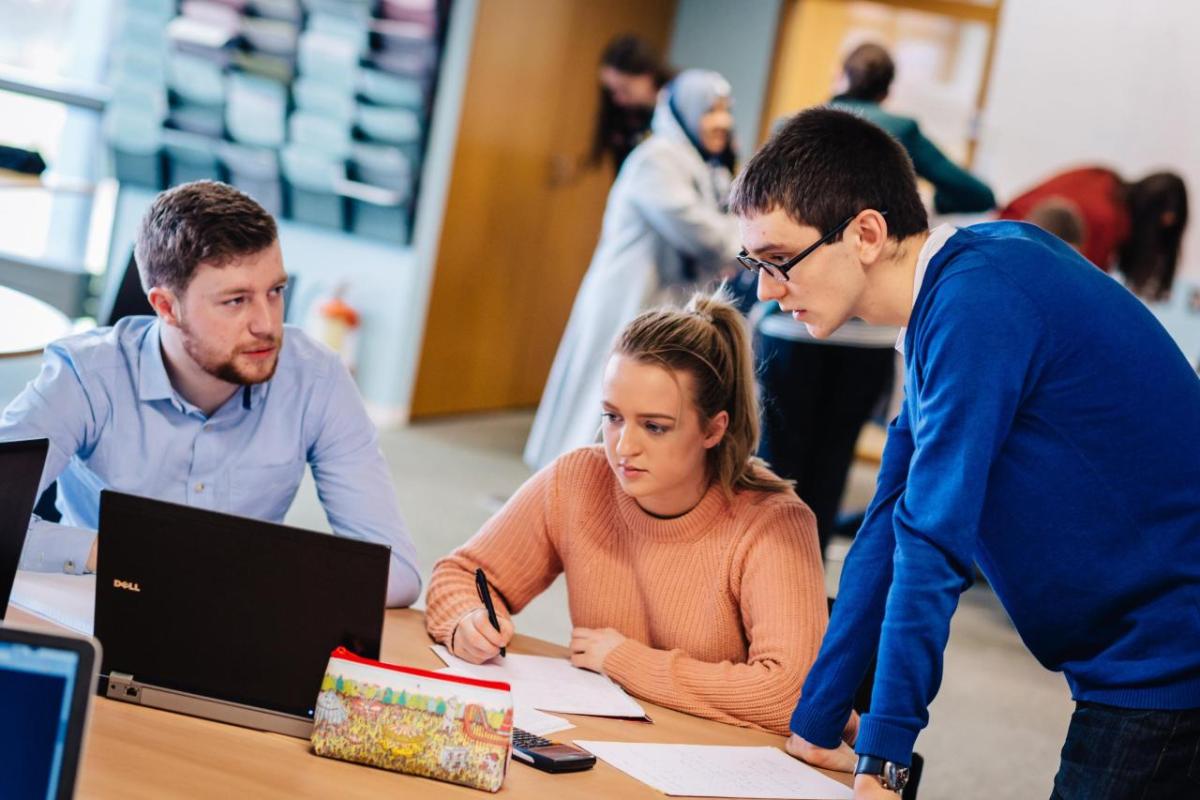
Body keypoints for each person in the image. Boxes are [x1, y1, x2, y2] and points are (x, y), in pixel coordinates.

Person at [730, 108, 1200, 798]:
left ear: (865, 233)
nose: (767, 289)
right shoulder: (950, 297)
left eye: (779, 261)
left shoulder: (977, 300)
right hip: (1134, 652)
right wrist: (819, 720)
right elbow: (889, 524)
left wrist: (884, 759)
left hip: (1164, 655)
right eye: (755, 265)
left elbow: (934, 543)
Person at [0, 181, 421, 607]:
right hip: (102, 604)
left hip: (242, 620)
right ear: (166, 307)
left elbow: (397, 573)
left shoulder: (316, 379)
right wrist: (115, 553)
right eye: (236, 301)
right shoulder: (86, 375)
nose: (266, 324)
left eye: (275, 292)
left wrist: (237, 567)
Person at [428, 292, 827, 734]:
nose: (624, 446)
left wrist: (623, 660)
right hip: (609, 742)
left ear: (714, 428)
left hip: (718, 763)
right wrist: (466, 621)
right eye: (613, 417)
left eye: (655, 426)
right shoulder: (579, 479)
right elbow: (460, 575)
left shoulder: (773, 524)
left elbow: (791, 695)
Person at [525, 69, 741, 471]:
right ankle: (566, 494)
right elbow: (701, 232)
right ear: (686, 111)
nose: (723, 122)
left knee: (632, 408)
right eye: (711, 110)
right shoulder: (657, 158)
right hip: (627, 299)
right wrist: (750, 234)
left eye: (726, 110)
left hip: (657, 302)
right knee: (603, 404)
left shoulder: (702, 165)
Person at [831, 42, 995, 215]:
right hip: (870, 236)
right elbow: (980, 195)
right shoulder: (902, 130)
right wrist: (933, 202)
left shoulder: (802, 122)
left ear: (841, 77)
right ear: (887, 91)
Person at [999, 167, 1189, 300]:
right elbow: (1079, 298)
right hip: (1009, 269)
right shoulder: (1106, 221)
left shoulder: (1101, 177)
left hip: (994, 248)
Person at [590, 34, 675, 174]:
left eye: (625, 89)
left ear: (649, 75)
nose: (618, 99)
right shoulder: (622, 118)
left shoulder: (677, 110)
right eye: (612, 91)